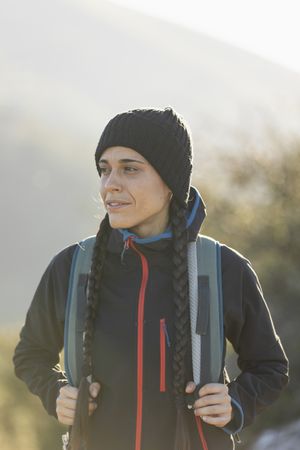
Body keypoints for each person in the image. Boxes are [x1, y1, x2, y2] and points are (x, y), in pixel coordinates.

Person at [13, 107, 288, 450]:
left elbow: (270, 367)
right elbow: (30, 354)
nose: (110, 184)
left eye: (129, 169)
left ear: (171, 182)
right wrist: (56, 393)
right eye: (104, 170)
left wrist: (235, 403)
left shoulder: (222, 268)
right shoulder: (71, 267)